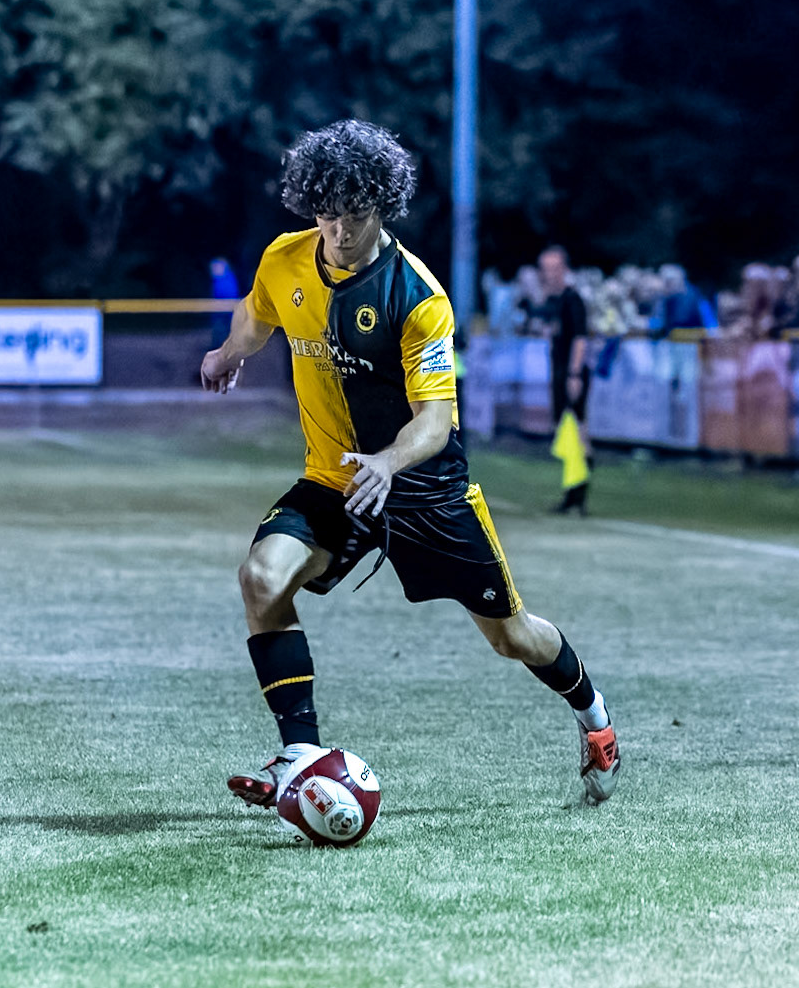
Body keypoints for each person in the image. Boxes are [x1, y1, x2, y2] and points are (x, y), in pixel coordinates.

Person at [198, 119, 620, 815]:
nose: (339, 230)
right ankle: (300, 753)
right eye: (326, 214)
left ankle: (594, 714)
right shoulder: (286, 259)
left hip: (423, 489)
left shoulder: (417, 297)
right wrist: (227, 354)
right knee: (261, 577)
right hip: (337, 481)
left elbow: (435, 420)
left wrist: (389, 462)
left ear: (383, 204)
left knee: (510, 635)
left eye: (355, 214)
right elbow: (255, 314)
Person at [536, 245, 592, 514]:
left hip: (572, 373)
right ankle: (571, 493)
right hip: (560, 373)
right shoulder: (554, 301)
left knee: (578, 430)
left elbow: (580, 338)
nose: (548, 274)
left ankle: (579, 496)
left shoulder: (573, 300)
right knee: (565, 432)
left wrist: (574, 374)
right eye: (545, 269)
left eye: (553, 268)